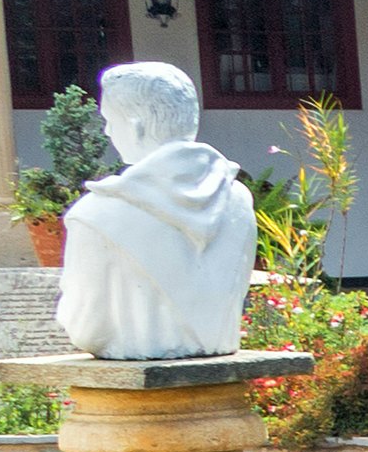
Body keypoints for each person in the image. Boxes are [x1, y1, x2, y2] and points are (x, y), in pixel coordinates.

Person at [57, 63, 256, 360]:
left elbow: (87, 329)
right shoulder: (238, 199)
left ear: (136, 126)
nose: (108, 132)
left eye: (109, 121)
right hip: (219, 351)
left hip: (134, 369)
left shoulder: (96, 213)